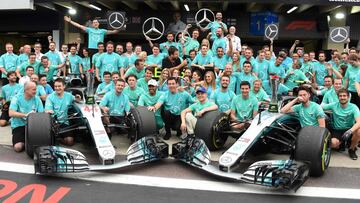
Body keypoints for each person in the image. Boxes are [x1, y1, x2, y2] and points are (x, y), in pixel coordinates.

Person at [322, 88, 360, 160]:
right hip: (337, 129)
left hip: (350, 129)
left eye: (344, 96)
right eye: (340, 96)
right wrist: (324, 116)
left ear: (348, 97)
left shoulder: (354, 107)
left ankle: (351, 149)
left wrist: (350, 131)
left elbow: (359, 122)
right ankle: (341, 144)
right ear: (338, 97)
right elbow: (320, 107)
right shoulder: (334, 105)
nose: (342, 97)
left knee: (359, 131)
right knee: (333, 144)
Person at [9, 81, 44, 152]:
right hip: (19, 125)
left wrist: (35, 116)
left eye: (36, 89)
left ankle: (29, 142)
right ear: (26, 90)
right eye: (33, 89)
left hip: (34, 126)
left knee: (41, 144)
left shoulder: (37, 99)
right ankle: (27, 142)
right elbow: (11, 113)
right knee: (18, 147)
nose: (35, 91)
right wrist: (26, 115)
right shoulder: (16, 98)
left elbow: (41, 114)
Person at [45, 78, 78, 146]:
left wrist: (78, 97)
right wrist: (49, 111)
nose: (57, 88)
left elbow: (77, 99)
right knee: (48, 141)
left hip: (64, 122)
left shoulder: (69, 95)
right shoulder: (50, 97)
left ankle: (59, 139)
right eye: (55, 86)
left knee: (70, 141)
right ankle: (55, 138)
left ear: (64, 86)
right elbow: (47, 110)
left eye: (59, 86)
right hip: (53, 123)